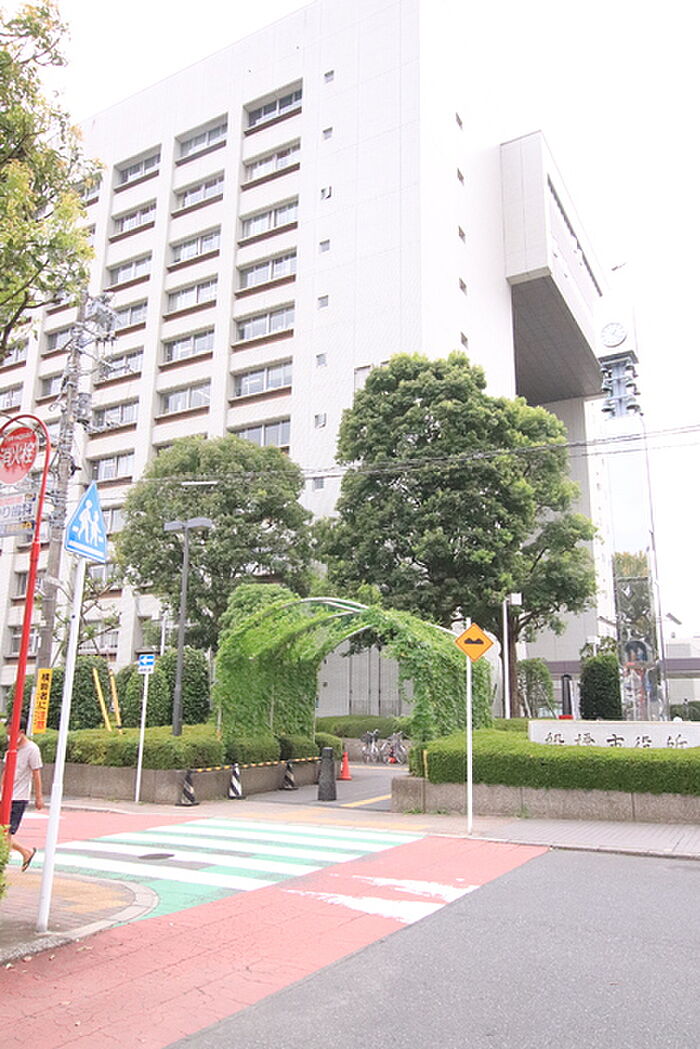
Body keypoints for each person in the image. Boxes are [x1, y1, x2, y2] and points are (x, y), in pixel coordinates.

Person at [1, 715, 44, 870]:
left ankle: (24, 853)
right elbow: (6, 771)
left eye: (11, 732)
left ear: (21, 732)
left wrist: (38, 797)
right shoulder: (11, 748)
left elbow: (36, 773)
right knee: (3, 834)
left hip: (18, 797)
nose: (9, 736)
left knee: (5, 834)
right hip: (5, 796)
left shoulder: (32, 749)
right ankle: (25, 852)